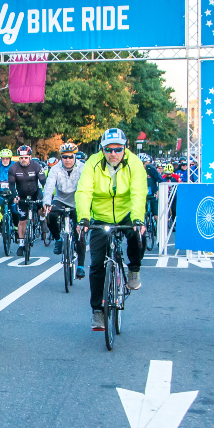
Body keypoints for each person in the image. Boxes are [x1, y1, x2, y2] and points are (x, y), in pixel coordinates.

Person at [76, 128, 147, 331]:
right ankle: (97, 311)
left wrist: (137, 219)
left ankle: (133, 269)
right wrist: (84, 218)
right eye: (108, 149)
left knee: (137, 234)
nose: (113, 154)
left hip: (126, 212)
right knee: (97, 263)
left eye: (118, 149)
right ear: (102, 149)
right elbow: (84, 191)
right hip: (100, 215)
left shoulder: (134, 164)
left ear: (125, 148)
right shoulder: (93, 163)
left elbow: (139, 192)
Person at [43, 142, 86, 279]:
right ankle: (58, 239)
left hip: (77, 200)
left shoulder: (82, 168)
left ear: (75, 157)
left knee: (79, 232)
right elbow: (49, 186)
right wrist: (47, 202)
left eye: (70, 157)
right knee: (49, 216)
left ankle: (80, 266)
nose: (67, 160)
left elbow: (87, 187)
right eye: (64, 157)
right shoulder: (55, 169)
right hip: (60, 198)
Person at [9, 145, 47, 256]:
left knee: (41, 209)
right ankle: (21, 244)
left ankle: (41, 218)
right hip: (22, 195)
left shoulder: (37, 166)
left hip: (35, 193)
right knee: (22, 220)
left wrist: (48, 196)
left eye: (25, 157)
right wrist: (15, 196)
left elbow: (43, 182)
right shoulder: (14, 168)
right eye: (21, 158)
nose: (23, 160)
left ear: (30, 157)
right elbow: (12, 185)